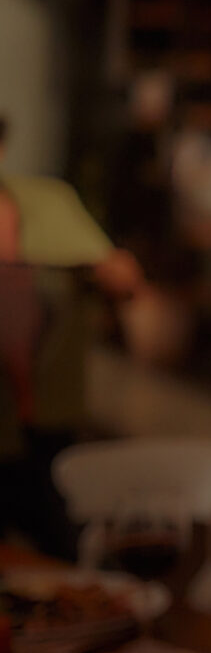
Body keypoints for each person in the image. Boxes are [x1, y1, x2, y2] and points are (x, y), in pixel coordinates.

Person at [0, 116, 150, 558]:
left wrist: (112, 273)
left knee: (63, 547)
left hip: (47, 416)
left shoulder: (48, 205)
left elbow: (124, 281)